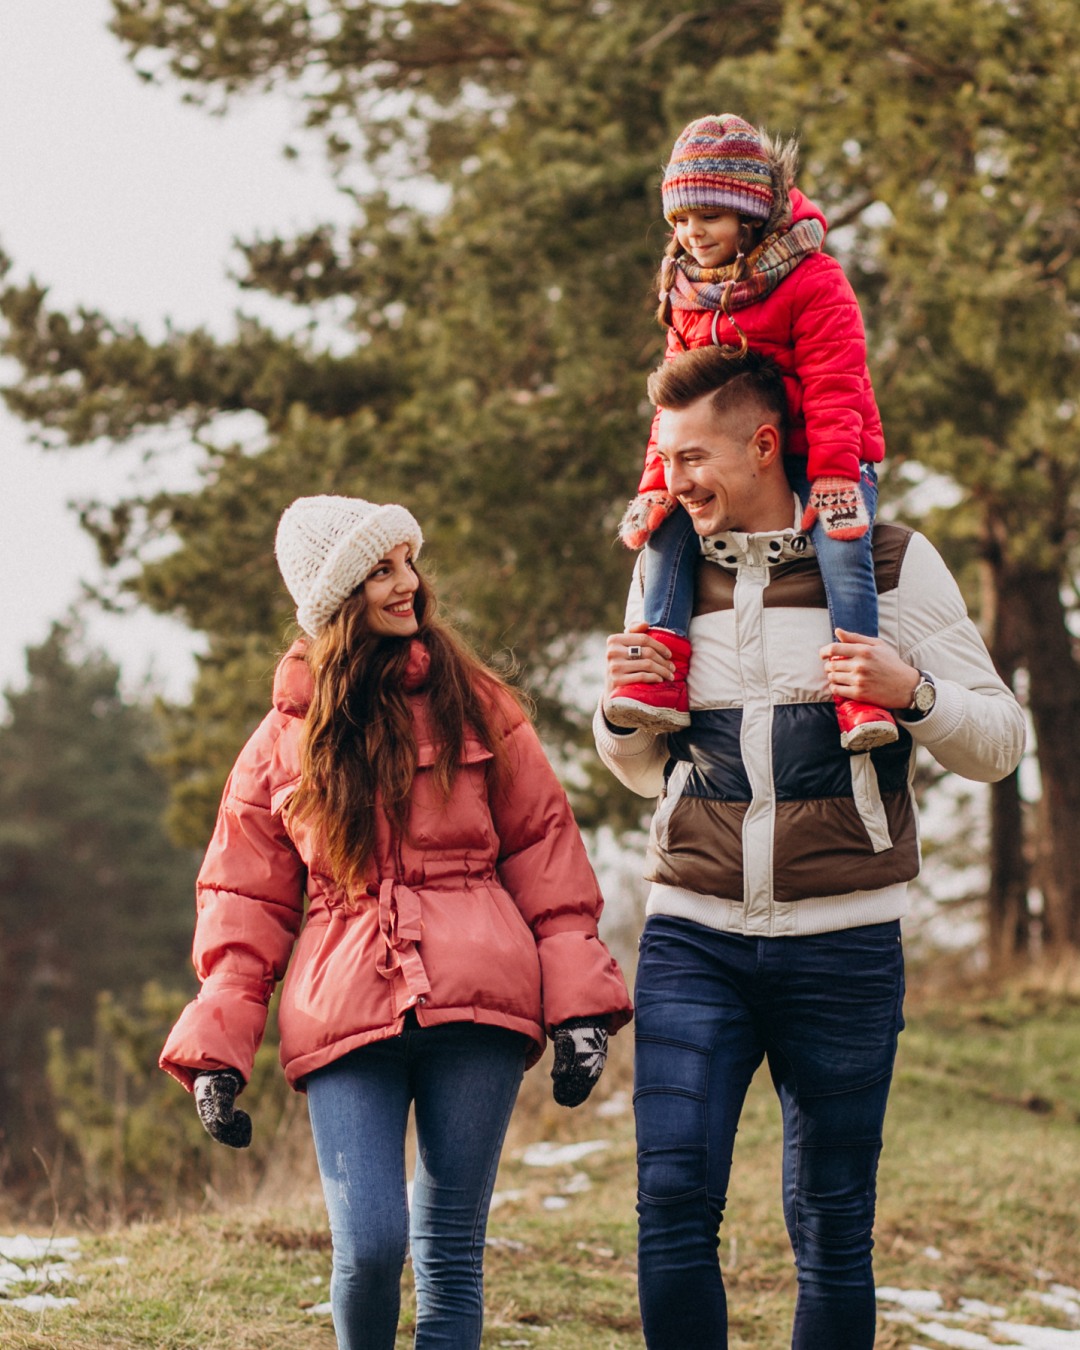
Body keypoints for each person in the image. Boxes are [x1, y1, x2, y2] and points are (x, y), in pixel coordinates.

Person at [593, 346, 1026, 1350]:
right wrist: (622, 714)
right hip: (691, 936)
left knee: (831, 1227)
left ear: (765, 443)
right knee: (669, 1205)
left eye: (693, 458)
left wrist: (909, 693)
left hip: (844, 943)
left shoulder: (886, 561)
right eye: (664, 459)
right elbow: (643, 769)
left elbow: (1001, 743)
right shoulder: (665, 568)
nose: (673, 482)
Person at [160, 494, 633, 1350]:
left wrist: (581, 1011)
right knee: (372, 1245)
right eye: (381, 570)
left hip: (482, 1000)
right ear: (338, 598)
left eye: (408, 562)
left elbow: (546, 854)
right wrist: (215, 1054)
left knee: (450, 1252)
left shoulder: (479, 704)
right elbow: (244, 902)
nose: (407, 583)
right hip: (343, 1007)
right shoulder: (281, 742)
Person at [608, 113, 895, 753]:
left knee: (842, 547)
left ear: (750, 213)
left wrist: (834, 476)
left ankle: (860, 688)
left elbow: (835, 384)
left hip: (827, 449)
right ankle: (661, 672)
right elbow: (675, 402)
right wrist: (659, 483)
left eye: (707, 217)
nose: (692, 234)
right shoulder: (685, 291)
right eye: (680, 221)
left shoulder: (813, 279)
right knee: (665, 532)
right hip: (732, 458)